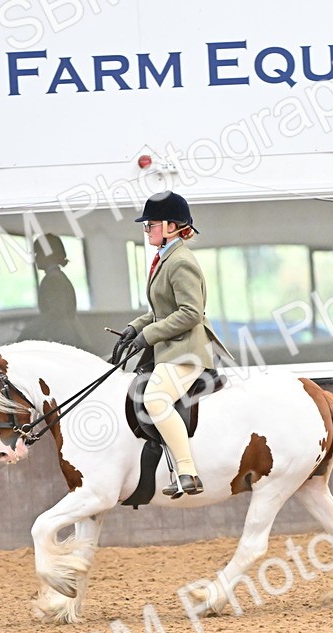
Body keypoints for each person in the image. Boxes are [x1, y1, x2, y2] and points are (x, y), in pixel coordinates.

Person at [111, 191, 230, 497]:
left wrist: (148, 335)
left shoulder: (180, 262)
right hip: (171, 348)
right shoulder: (165, 259)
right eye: (146, 224)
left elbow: (190, 313)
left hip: (187, 350)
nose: (147, 229)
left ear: (172, 226)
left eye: (151, 223)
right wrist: (134, 327)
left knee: (155, 399)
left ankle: (188, 472)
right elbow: (161, 311)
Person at [20, 233, 86, 348]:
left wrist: (29, 330)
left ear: (47, 254)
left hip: (61, 336)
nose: (35, 258)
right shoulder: (57, 276)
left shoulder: (53, 279)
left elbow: (57, 312)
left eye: (37, 253)